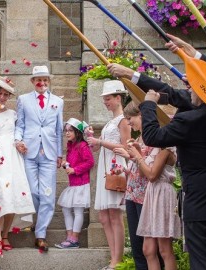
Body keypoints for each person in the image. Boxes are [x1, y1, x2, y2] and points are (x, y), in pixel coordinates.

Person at [112, 33, 206, 269]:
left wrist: (149, 106)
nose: (186, 85)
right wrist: (132, 75)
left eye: (191, 84)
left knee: (205, 262)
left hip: (202, 204)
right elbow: (172, 93)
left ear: (201, 90)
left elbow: (153, 136)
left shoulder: (190, 120)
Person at [115, 102, 181, 270]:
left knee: (164, 250)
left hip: (161, 193)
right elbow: (146, 170)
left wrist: (137, 155)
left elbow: (152, 175)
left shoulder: (166, 145)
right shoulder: (156, 143)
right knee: (147, 249)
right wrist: (139, 152)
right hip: (152, 193)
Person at [0, 76, 36, 254]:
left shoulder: (13, 114)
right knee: (0, 195)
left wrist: (21, 144)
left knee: (12, 195)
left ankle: (5, 235)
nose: (3, 97)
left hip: (12, 157)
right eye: (0, 93)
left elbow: (17, 134)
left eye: (6, 94)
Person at [14, 65, 65, 252]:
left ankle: (41, 234)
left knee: (48, 195)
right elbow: (20, 124)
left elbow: (59, 130)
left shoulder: (58, 102)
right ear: (32, 82)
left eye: (44, 79)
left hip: (50, 153)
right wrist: (17, 140)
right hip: (29, 151)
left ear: (48, 81)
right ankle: (37, 221)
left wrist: (60, 153)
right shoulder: (23, 100)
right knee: (33, 192)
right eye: (38, 80)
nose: (41, 82)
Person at [85, 80, 130, 267]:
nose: (105, 102)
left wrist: (100, 142)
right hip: (105, 164)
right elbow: (100, 147)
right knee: (104, 217)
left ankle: (116, 261)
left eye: (108, 98)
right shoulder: (111, 121)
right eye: (104, 99)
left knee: (114, 215)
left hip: (116, 165)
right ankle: (114, 258)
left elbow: (127, 147)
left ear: (118, 98)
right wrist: (93, 141)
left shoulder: (123, 120)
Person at [55, 118, 94, 249]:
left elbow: (89, 162)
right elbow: (74, 162)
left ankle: (74, 239)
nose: (67, 133)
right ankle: (69, 236)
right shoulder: (71, 146)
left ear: (77, 132)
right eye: (66, 131)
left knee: (78, 211)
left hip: (82, 183)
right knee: (66, 208)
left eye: (70, 130)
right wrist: (66, 164)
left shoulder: (82, 145)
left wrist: (75, 170)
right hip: (73, 184)